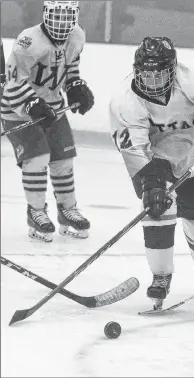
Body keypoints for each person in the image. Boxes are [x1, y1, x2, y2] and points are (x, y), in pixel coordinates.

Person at [109, 36, 194, 310]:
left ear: (173, 68)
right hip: (157, 157)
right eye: (147, 74)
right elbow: (135, 149)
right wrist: (151, 185)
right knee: (155, 211)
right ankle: (160, 274)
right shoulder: (124, 101)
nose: (153, 81)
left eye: (160, 73)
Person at [0, 1, 94, 242]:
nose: (62, 22)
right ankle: (36, 212)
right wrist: (31, 104)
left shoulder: (77, 36)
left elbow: (70, 66)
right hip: (17, 109)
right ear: (45, 14)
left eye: (67, 15)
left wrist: (74, 86)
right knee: (38, 158)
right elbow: (12, 84)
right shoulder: (28, 41)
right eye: (57, 15)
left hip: (53, 108)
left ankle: (68, 209)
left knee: (63, 159)